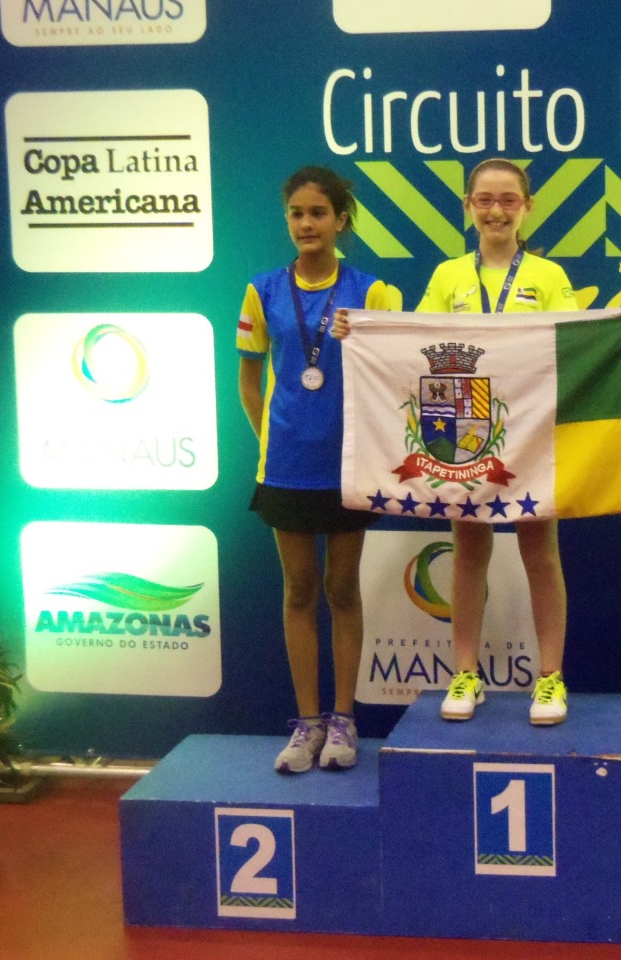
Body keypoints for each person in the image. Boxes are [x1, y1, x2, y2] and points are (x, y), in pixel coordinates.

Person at [334, 158, 621, 726]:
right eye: (484, 200)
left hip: (529, 435)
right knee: (468, 553)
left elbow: (577, 345)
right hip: (462, 436)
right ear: (467, 207)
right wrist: (356, 333)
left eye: (508, 199)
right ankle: (465, 672)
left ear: (527, 207)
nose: (496, 210)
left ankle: (550, 677)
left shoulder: (547, 276)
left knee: (540, 553)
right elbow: (413, 346)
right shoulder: (448, 276)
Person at [237, 166, 398, 774]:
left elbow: (396, 375)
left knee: (342, 590)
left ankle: (344, 720)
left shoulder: (371, 291)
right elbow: (249, 377)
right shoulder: (261, 291)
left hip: (349, 464)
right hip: (285, 467)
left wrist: (365, 340)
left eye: (318, 213)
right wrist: (271, 439)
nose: (306, 224)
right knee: (299, 590)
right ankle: (307, 724)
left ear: (340, 220)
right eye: (297, 214)